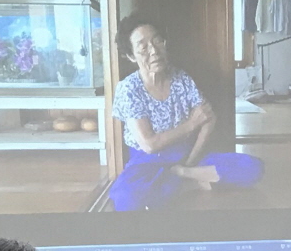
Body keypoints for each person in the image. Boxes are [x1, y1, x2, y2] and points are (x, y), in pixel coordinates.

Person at [108, 14, 265, 211]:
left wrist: (188, 165)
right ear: (131, 56)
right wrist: (191, 124)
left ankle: (182, 179)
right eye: (143, 47)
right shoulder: (129, 88)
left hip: (186, 154)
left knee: (253, 168)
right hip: (147, 162)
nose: (154, 51)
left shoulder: (181, 78)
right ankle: (190, 183)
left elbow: (209, 118)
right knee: (127, 198)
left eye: (157, 41)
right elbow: (149, 144)